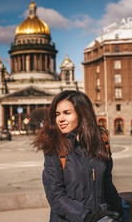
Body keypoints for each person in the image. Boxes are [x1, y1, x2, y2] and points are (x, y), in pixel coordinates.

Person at [33, 90, 123, 222]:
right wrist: (87, 217)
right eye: (57, 114)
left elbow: (107, 184)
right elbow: (55, 196)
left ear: (82, 114)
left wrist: (119, 209)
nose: (60, 119)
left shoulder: (100, 143)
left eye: (66, 113)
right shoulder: (55, 147)